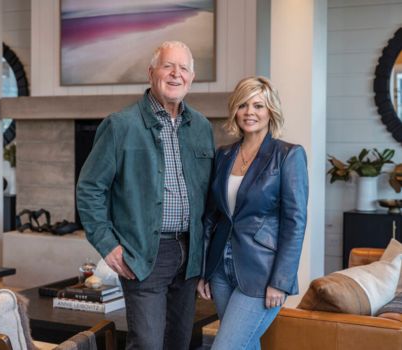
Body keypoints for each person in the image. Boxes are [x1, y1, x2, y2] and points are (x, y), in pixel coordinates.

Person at [76, 41, 215, 350]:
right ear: (152, 73)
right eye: (168, 66)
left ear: (192, 78)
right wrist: (108, 245)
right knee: (148, 344)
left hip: (190, 253)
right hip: (146, 253)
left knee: (178, 342)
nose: (176, 74)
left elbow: (210, 198)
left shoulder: (202, 127)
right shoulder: (120, 126)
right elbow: (89, 188)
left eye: (183, 68)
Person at [197, 76, 308, 350]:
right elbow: (213, 216)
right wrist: (204, 271)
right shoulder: (223, 155)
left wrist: (280, 281)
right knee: (244, 346)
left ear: (271, 110)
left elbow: (295, 222)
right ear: (235, 110)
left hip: (262, 272)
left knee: (224, 346)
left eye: (258, 105)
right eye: (243, 105)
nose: (250, 112)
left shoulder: (288, 155)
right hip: (221, 270)